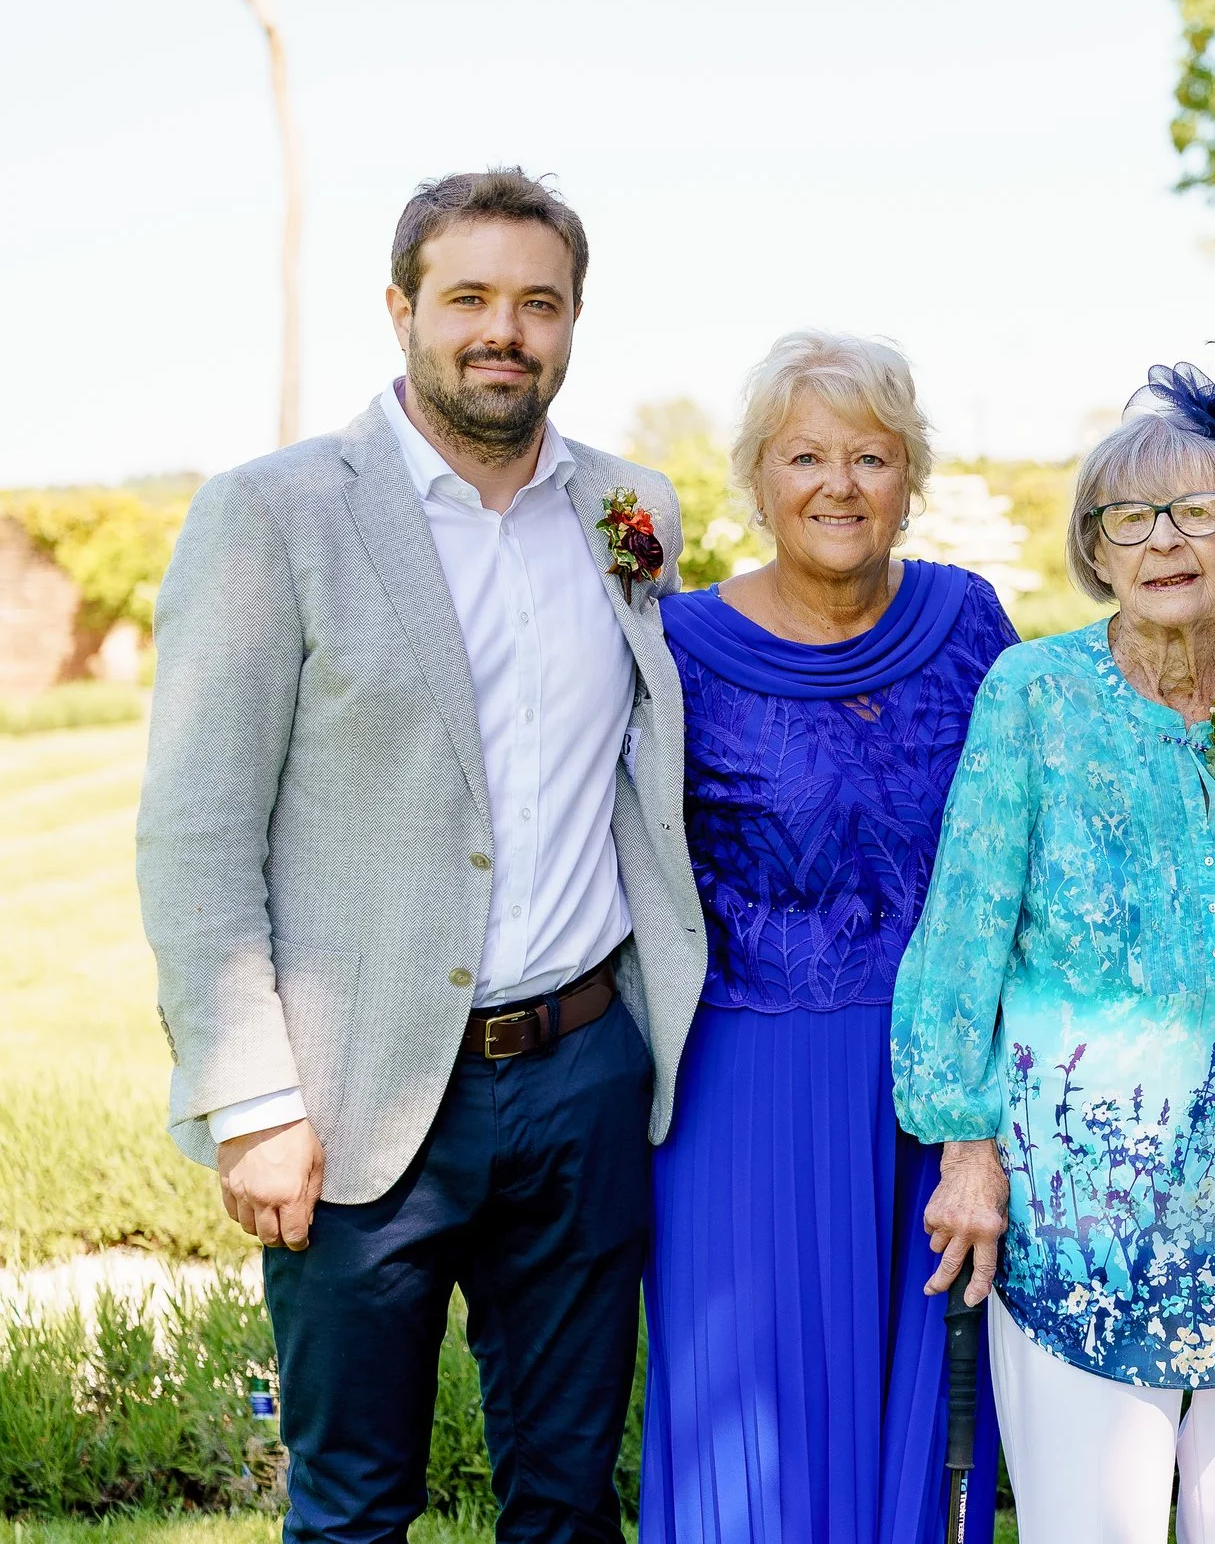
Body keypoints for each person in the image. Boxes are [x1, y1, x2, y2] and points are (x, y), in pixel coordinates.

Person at [137, 169, 705, 1544]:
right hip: (353, 1094)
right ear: (402, 310)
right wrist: (253, 1096)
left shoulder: (632, 511)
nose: (503, 329)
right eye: (469, 298)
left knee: (568, 1500)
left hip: (581, 1074)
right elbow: (197, 826)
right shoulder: (273, 514)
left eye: (538, 302)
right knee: (351, 1506)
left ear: (572, 322)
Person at [891, 351, 1215, 1544]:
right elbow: (964, 924)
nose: (1164, 540)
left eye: (1196, 512)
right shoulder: (1033, 694)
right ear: (1096, 549)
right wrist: (965, 1143)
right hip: (1084, 1202)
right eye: (1129, 517)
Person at [638, 331, 1015, 1544]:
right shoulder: (678, 643)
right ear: (756, 481)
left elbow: (1024, 839)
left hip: (937, 1082)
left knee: (918, 1405)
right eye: (804, 455)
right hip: (744, 1078)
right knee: (746, 1411)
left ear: (912, 478)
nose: (838, 485)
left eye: (871, 454)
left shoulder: (970, 622)